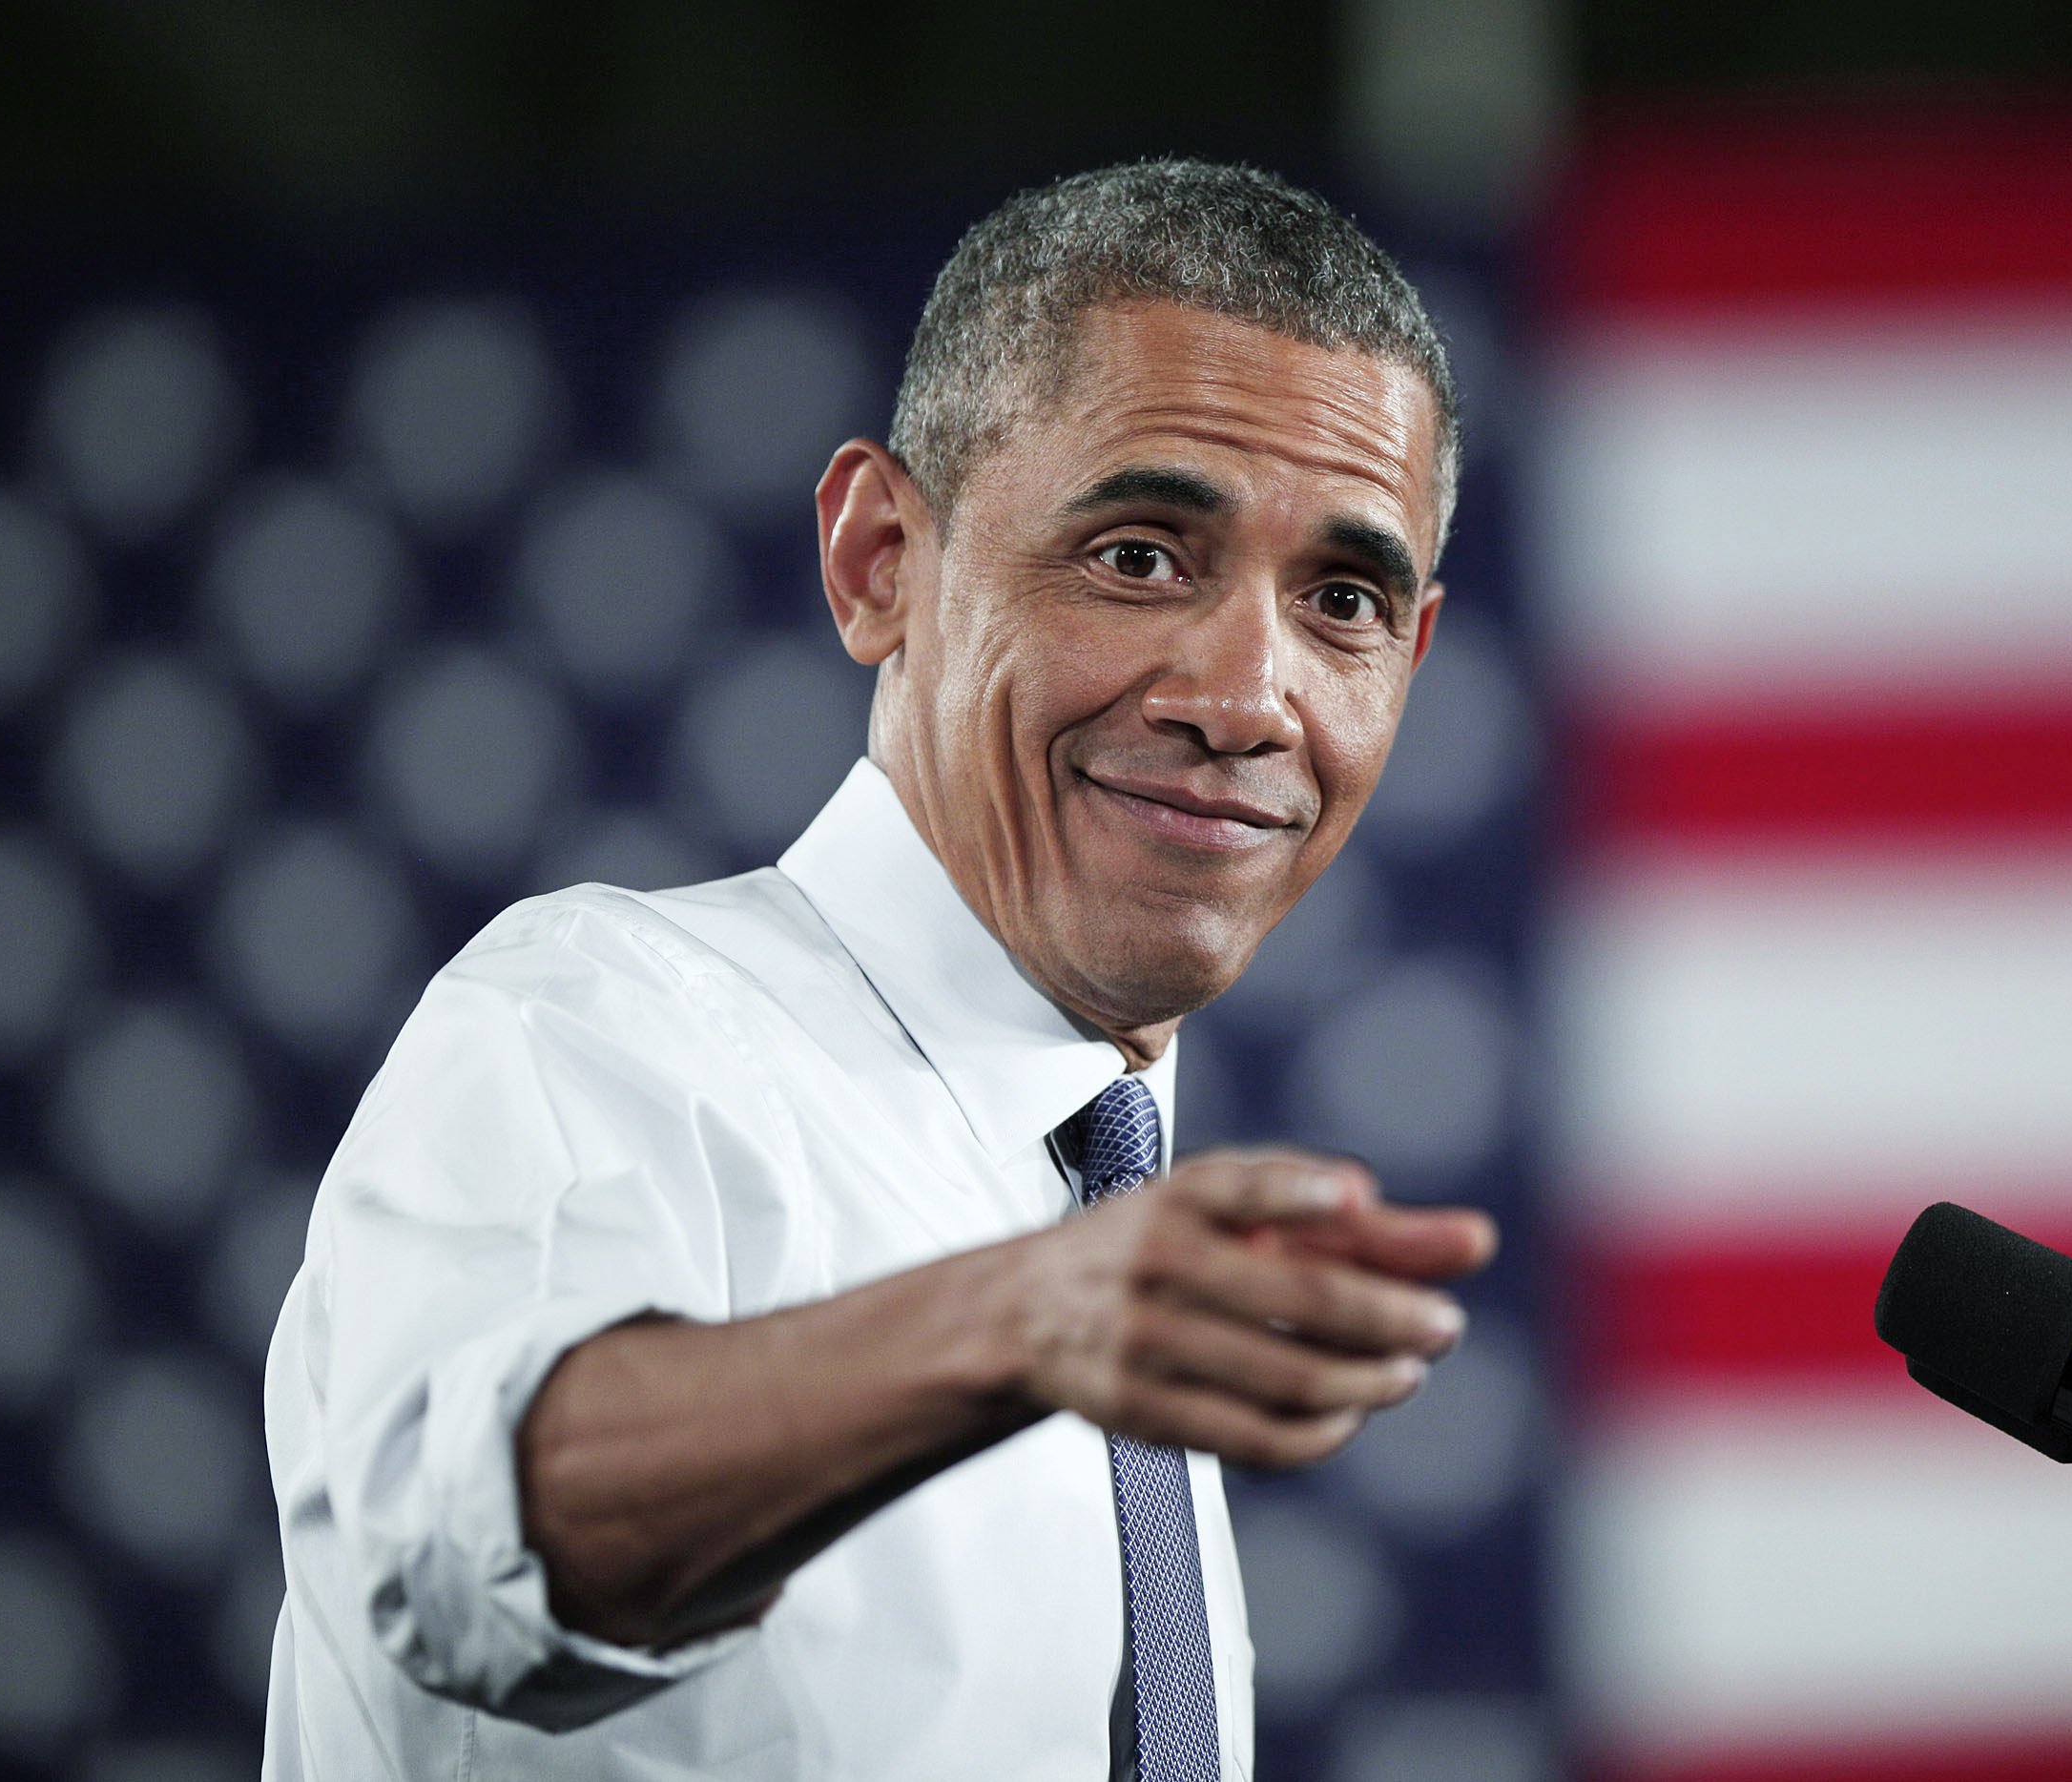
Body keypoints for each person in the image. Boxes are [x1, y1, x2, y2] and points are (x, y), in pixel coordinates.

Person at [260, 158, 1498, 1781]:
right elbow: (445, 1550)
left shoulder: (1098, 1220)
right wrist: (1012, 1321)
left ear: (1406, 663)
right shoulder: (593, 1020)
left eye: (1340, 599)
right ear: (878, 561)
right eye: (1139, 556)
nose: (1246, 698)